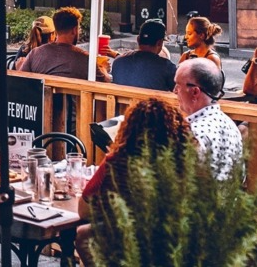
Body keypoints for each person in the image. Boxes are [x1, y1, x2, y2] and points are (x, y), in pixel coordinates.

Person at [75, 98, 193, 266]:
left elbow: (83, 211)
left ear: (129, 128)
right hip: (178, 244)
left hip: (132, 244)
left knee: (84, 234)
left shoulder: (117, 162)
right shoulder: (186, 161)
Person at [20, 7, 110, 132]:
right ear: (74, 30)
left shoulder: (35, 53)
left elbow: (20, 82)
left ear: (56, 30)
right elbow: (106, 84)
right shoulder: (84, 59)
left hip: (39, 122)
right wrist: (104, 69)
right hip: (73, 128)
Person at [174, 58, 242, 181]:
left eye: (178, 86)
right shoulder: (230, 124)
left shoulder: (194, 133)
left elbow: (183, 183)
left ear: (195, 92)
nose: (174, 91)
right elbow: (240, 176)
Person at [104, 19, 177, 91]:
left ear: (138, 40)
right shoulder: (168, 68)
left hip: (122, 103)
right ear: (159, 43)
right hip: (150, 103)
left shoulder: (118, 62)